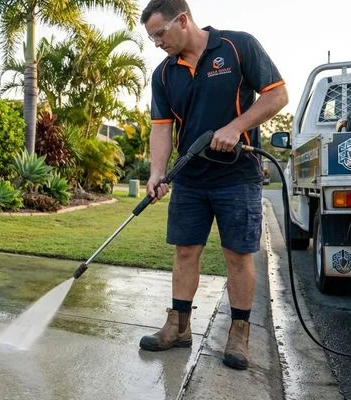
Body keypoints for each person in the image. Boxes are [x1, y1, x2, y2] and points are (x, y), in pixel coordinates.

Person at [137, 0, 288, 371]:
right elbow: (161, 127)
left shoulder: (237, 47)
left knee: (238, 255)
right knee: (185, 251)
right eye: (151, 37)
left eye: (159, 33)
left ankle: (239, 332)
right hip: (190, 178)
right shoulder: (163, 74)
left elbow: (277, 95)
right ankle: (179, 326)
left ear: (183, 20)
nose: (156, 43)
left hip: (237, 176)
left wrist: (237, 126)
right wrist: (158, 173)